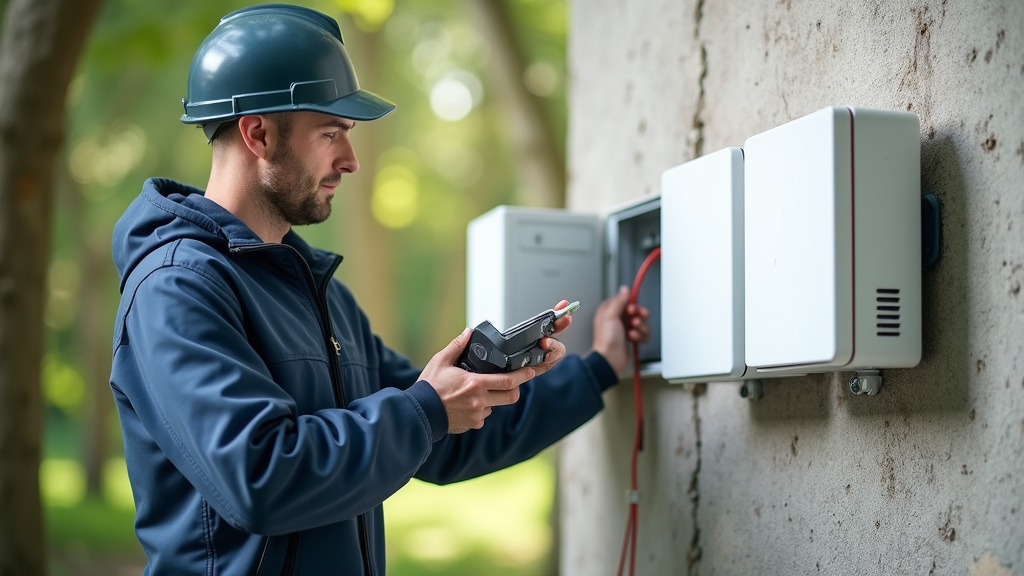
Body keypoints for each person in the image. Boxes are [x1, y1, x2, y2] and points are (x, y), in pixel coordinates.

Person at [109, 4, 650, 575]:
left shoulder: (320, 294)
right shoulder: (177, 289)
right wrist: (425, 409)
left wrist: (599, 367)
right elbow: (261, 476)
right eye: (331, 134)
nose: (351, 161)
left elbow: (443, 435)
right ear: (258, 134)